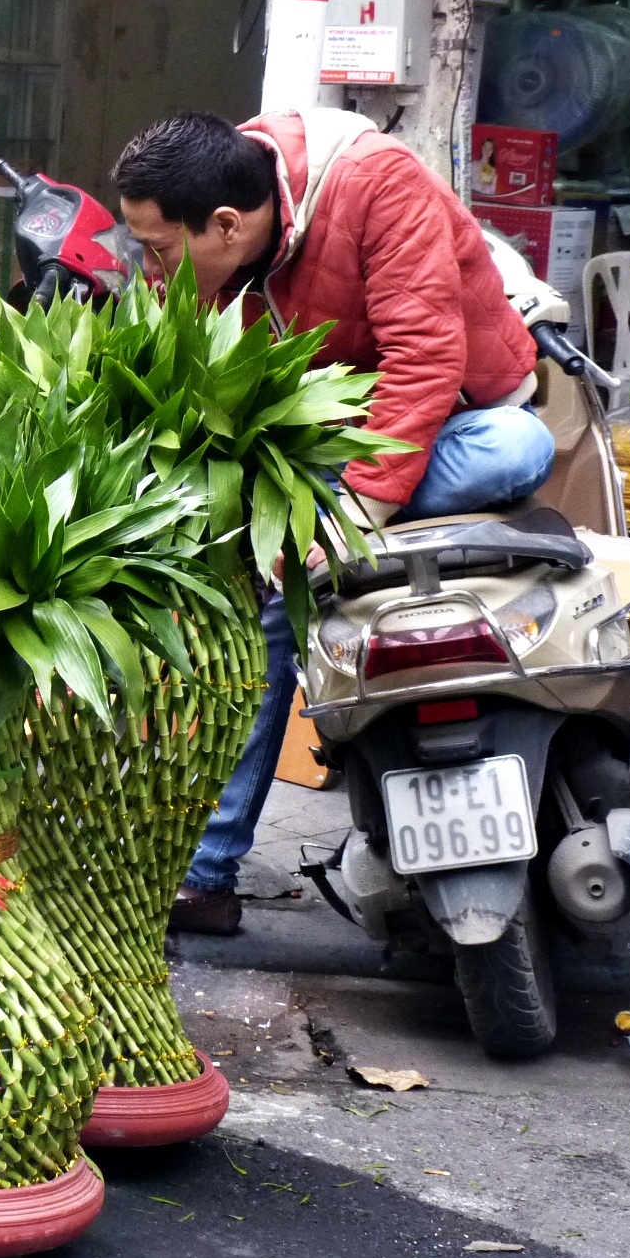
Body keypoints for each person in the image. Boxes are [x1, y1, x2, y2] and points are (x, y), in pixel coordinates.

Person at [113, 107, 551, 936]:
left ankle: (319, 519)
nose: (150, 269)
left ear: (227, 226)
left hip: (450, 420)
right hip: (313, 453)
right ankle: (203, 875)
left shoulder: (374, 181)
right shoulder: (206, 232)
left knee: (518, 447)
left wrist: (337, 517)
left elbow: (425, 361)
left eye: (159, 250)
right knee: (260, 597)